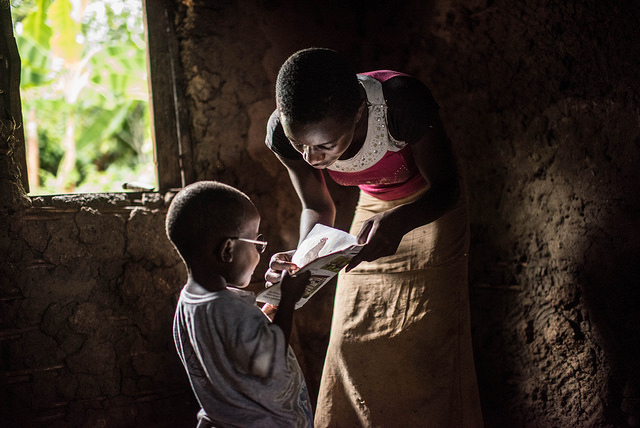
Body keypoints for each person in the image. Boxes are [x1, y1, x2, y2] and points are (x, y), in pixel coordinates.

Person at [264, 48, 483, 427]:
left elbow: (448, 189)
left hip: (430, 210)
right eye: (302, 145)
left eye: (325, 146)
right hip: (375, 207)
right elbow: (317, 206)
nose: (312, 158)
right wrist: (303, 260)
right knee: (350, 342)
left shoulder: (401, 103)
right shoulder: (287, 133)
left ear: (361, 112)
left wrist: (400, 222)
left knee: (428, 348)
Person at [166, 180, 314, 428]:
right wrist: (288, 299)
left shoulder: (189, 302)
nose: (260, 254)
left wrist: (270, 312)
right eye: (257, 244)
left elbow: (234, 349)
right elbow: (269, 362)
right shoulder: (227, 308)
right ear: (227, 251)